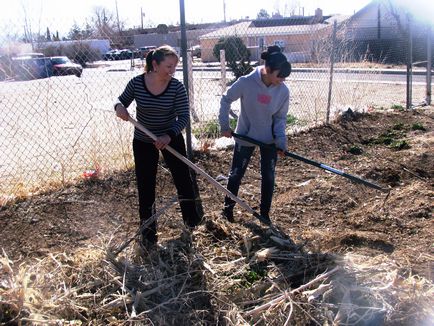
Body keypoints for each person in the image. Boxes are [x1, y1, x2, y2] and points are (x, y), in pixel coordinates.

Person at [114, 45, 202, 248]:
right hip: (144, 141)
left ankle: (192, 224)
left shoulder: (176, 87)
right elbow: (121, 101)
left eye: (175, 66)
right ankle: (149, 236)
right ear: (155, 64)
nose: (172, 70)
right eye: (168, 66)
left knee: (183, 180)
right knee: (145, 187)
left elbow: (183, 117)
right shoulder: (137, 83)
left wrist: (169, 135)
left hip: (171, 138)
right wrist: (119, 108)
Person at [219, 45, 291, 223]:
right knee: (236, 173)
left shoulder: (283, 91)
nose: (282, 80)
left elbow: (280, 118)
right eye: (279, 76)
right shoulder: (246, 82)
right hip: (246, 135)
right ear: (268, 70)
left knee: (268, 175)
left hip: (269, 140)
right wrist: (224, 125)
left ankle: (264, 214)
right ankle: (227, 211)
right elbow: (226, 99)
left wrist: (281, 141)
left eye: (284, 77)